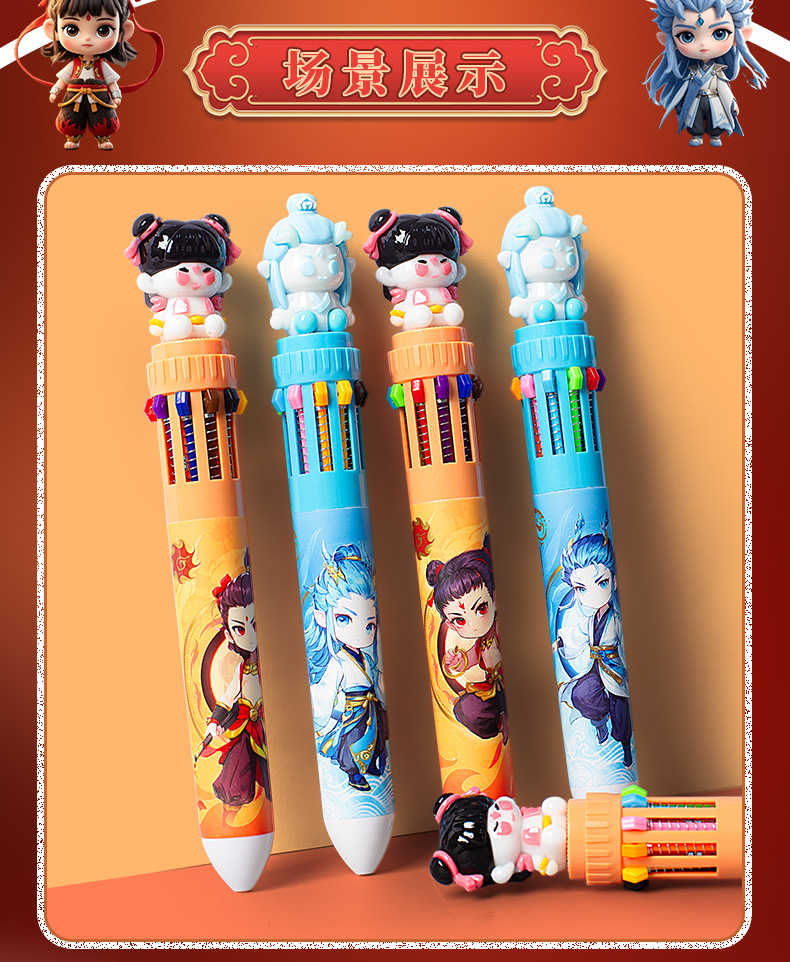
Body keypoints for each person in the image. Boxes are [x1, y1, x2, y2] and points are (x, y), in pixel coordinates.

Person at [305, 545, 388, 792]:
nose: (360, 633)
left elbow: (376, 676)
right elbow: (326, 690)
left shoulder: (366, 658)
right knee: (352, 741)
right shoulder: (339, 661)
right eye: (344, 619)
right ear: (323, 617)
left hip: (369, 705)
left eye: (369, 625)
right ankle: (353, 773)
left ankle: (370, 764)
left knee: (376, 737)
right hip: (353, 709)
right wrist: (328, 711)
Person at [553, 514, 633, 767]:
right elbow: (578, 632)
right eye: (581, 589)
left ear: (613, 581)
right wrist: (561, 642)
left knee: (621, 710)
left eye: (602, 582)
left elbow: (621, 641)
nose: (592, 595)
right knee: (582, 693)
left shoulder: (615, 618)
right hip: (596, 667)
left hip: (614, 668)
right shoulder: (590, 620)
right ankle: (599, 722)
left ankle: (624, 747)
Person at [644, 0, 767, 146]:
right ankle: (696, 135)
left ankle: (715, 136)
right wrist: (680, 102)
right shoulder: (692, 71)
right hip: (695, 100)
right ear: (668, 41)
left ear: (739, 36)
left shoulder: (717, 71)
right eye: (687, 36)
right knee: (694, 119)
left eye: (719, 34)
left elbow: (723, 89)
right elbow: (684, 88)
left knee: (715, 118)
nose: (703, 44)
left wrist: (732, 103)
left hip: (714, 99)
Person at [427, 535, 508, 742]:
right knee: (466, 709)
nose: (473, 625)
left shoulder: (496, 630)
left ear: (493, 597)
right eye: (460, 620)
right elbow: (471, 657)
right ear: (450, 624)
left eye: (481, 608)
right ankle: (499, 722)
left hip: (509, 687)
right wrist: (458, 661)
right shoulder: (480, 642)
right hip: (490, 692)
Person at [364, 206, 472, 330]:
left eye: (443, 261)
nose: (434, 264)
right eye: (422, 262)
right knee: (421, 316)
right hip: (415, 327)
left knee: (453, 311)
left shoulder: (445, 294)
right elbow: (398, 316)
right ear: (388, 275)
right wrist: (399, 316)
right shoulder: (409, 298)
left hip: (447, 332)